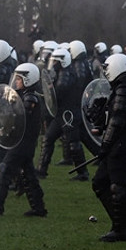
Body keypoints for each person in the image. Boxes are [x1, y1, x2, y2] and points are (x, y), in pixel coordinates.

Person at [0, 63, 48, 217]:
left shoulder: (30, 98)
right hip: (24, 144)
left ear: (28, 80)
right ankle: (39, 208)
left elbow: (17, 116)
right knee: (28, 174)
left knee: (3, 169)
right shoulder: (25, 96)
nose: (16, 82)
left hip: (23, 144)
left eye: (19, 79)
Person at [89, 54, 126, 242]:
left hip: (120, 145)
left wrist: (105, 145)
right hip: (121, 144)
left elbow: (118, 121)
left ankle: (120, 229)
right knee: (99, 183)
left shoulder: (123, 91)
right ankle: (122, 223)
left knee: (117, 186)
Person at [36, 47, 89, 182]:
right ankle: (41, 170)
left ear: (63, 62)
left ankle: (83, 173)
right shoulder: (64, 72)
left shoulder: (66, 75)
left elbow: (58, 94)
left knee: (74, 143)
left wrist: (47, 92)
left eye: (56, 61)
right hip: (63, 114)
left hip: (68, 115)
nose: (53, 64)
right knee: (48, 138)